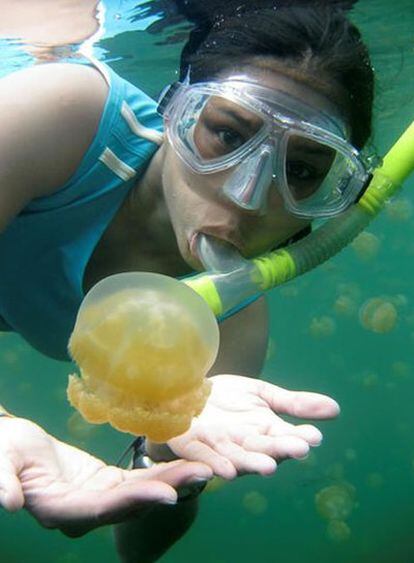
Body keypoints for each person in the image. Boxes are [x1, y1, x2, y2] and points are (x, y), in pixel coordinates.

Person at [0, 0, 375, 561]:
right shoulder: (66, 117)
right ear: (175, 111)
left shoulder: (229, 324)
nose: (245, 193)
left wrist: (167, 457)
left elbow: (137, 546)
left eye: (301, 170)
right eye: (227, 133)